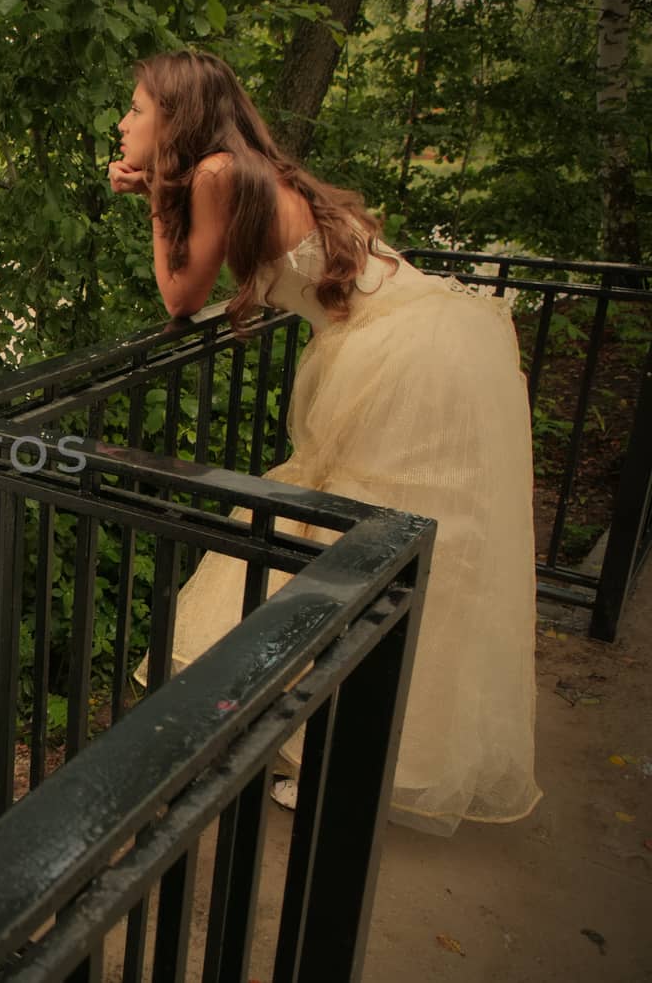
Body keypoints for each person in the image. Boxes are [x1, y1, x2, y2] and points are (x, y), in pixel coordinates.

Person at [108, 50, 541, 836]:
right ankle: (333, 749)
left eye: (136, 108)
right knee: (375, 552)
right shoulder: (238, 167)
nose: (123, 121)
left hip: (399, 359)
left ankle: (329, 758)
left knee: (356, 550)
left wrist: (154, 204)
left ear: (174, 118)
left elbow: (182, 297)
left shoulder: (209, 176)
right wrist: (163, 190)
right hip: (430, 338)